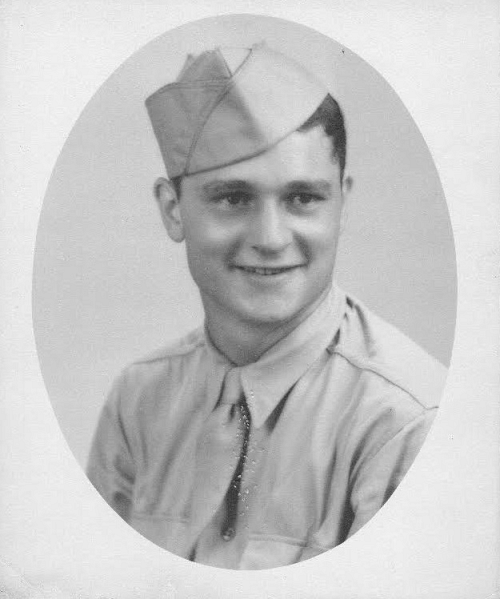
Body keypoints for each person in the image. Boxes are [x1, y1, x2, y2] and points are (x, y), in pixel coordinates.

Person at [87, 42, 446, 570]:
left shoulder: (403, 423)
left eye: (303, 198)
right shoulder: (138, 400)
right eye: (233, 198)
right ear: (173, 210)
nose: (271, 238)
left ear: (342, 204)